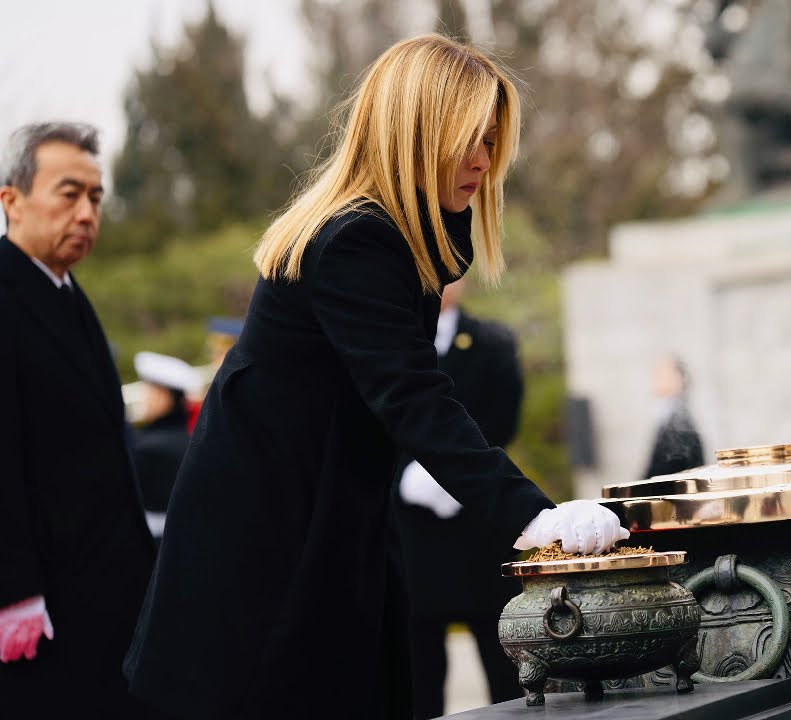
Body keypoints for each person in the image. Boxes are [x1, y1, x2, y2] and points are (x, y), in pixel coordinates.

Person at [123, 34, 629, 719]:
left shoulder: (389, 236)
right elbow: (414, 395)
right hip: (273, 545)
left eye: (490, 141)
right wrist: (535, 514)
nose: (484, 160)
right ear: (415, 134)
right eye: (467, 139)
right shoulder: (359, 239)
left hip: (321, 523)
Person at [0, 122, 160, 716]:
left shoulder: (68, 294)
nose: (87, 212)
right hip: (41, 610)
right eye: (68, 194)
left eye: (95, 197)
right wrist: (13, 595)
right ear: (11, 201)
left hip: (110, 593)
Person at [393, 277, 526, 718]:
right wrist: (404, 475)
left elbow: (502, 418)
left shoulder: (491, 342)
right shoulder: (390, 339)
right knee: (417, 664)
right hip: (412, 531)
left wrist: (457, 476)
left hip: (477, 525)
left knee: (501, 658)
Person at [132, 350, 201, 537]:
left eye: (149, 391)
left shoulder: (151, 449)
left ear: (165, 396)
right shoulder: (187, 438)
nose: (144, 399)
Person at [642, 354, 705, 478]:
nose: (656, 379)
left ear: (679, 379)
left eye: (663, 374)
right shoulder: (667, 416)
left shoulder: (681, 421)